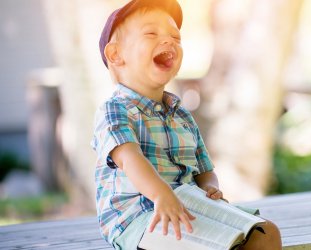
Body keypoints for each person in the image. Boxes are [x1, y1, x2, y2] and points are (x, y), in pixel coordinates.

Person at [91, 1, 281, 249]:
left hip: (190, 208)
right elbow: (130, 159)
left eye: (175, 37)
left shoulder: (181, 114)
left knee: (266, 233)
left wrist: (210, 188)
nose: (169, 41)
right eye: (151, 33)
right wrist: (162, 194)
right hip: (140, 218)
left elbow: (204, 169)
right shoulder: (115, 109)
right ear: (116, 54)